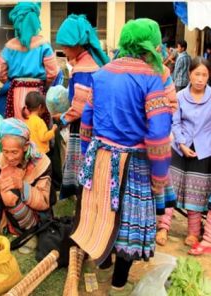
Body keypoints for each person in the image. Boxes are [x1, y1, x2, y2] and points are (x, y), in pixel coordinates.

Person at [70, 18, 172, 295]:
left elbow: (87, 120)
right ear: (149, 44)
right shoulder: (151, 78)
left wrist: (86, 157)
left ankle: (103, 271)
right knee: (128, 224)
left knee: (103, 217)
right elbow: (159, 133)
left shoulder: (101, 74)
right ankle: (117, 285)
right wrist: (160, 173)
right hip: (134, 164)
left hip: (100, 158)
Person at [156, 57, 211, 251]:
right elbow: (175, 122)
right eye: (197, 74)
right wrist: (181, 142)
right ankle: (163, 227)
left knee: (196, 192)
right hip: (180, 147)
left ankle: (193, 232)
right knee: (171, 188)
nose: (200, 79)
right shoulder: (179, 96)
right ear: (189, 74)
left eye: (204, 75)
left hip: (204, 151)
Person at [54, 14, 109, 199]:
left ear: (77, 45)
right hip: (97, 124)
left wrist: (62, 118)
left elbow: (80, 107)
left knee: (83, 166)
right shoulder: (94, 63)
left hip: (84, 125)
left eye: (65, 47)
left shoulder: (83, 68)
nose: (63, 50)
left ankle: (83, 202)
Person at [0, 118, 56, 234]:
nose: (9, 158)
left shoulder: (42, 163)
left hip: (34, 216)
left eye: (14, 152)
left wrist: (22, 186)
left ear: (25, 147)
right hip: (6, 214)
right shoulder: (0, 159)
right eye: (5, 151)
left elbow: (44, 201)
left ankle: (29, 232)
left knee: (10, 194)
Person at [0, 2, 60, 119]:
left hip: (14, 93)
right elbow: (53, 73)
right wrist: (45, 86)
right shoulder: (43, 45)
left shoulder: (9, 47)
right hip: (37, 94)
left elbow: (2, 74)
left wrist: (13, 83)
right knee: (38, 129)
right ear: (35, 21)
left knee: (16, 127)